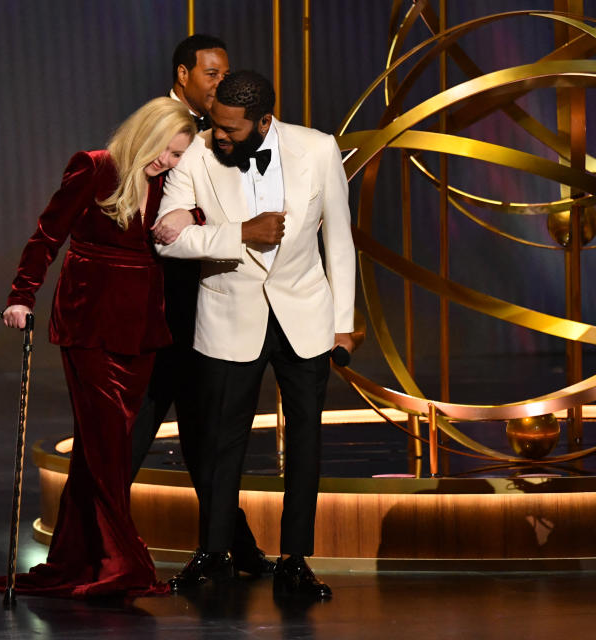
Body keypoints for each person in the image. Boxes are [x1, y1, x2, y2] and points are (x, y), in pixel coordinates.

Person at [0, 97, 197, 598]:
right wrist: (20, 295)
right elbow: (47, 234)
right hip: (89, 318)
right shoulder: (97, 167)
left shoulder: (175, 185)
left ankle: (80, 558)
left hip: (141, 325)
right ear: (147, 132)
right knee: (104, 444)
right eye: (167, 148)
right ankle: (122, 561)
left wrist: (190, 214)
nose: (169, 160)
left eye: (180, 154)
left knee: (108, 444)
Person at [151, 70, 357, 599]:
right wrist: (240, 232)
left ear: (264, 120)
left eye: (230, 129)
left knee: (306, 441)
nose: (218, 136)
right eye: (215, 124)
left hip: (305, 319)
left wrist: (343, 323)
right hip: (228, 316)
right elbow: (168, 239)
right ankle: (214, 554)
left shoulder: (317, 148)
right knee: (222, 443)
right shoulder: (196, 154)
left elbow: (339, 239)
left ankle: (294, 560)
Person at [130, 35, 275, 578]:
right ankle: (95, 542)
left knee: (202, 432)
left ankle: (232, 545)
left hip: (206, 301)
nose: (221, 83)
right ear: (184, 73)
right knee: (146, 424)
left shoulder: (226, 136)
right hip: (162, 303)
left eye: (225, 74)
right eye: (212, 74)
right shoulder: (162, 128)